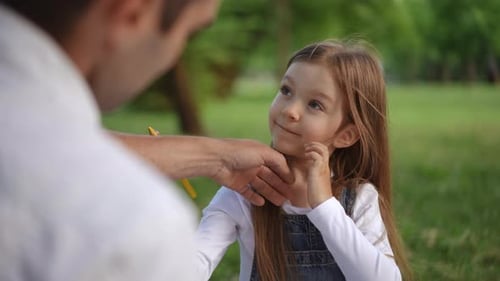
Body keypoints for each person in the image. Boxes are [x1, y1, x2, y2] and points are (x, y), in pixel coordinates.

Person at [0, 0, 292, 280]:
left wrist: (217, 157)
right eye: (188, 33)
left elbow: (50, 145)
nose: (173, 56)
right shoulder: (132, 226)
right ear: (130, 13)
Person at [195, 40, 413, 281]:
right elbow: (195, 262)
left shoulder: (360, 198)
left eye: (315, 105)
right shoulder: (243, 192)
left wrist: (325, 207)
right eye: (286, 91)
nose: (290, 110)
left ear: (345, 135)